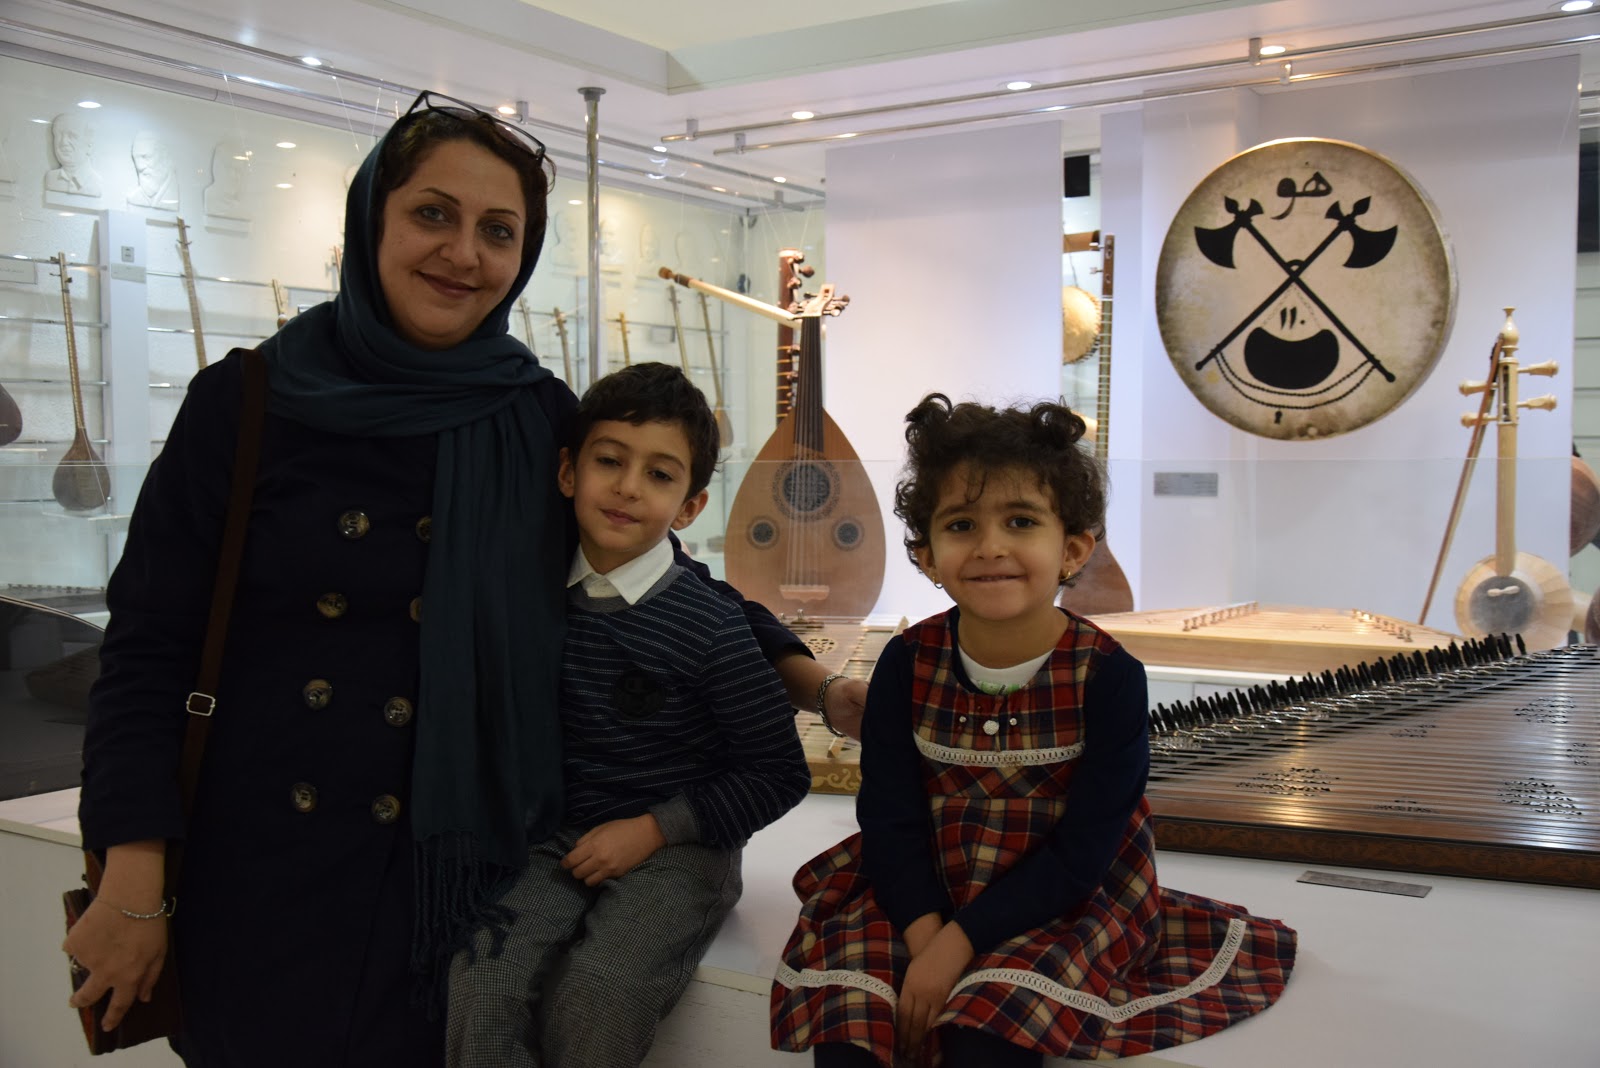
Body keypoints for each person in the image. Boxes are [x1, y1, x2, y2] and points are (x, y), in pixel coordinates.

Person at [64, 90, 862, 1068]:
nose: (463, 254)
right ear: (373, 218)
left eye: (498, 231)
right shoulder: (247, 400)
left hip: (448, 888)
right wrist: (132, 877)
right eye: (432, 214)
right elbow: (148, 648)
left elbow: (664, 575)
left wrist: (813, 682)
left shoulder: (532, 418)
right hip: (261, 874)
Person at [771, 394, 1297, 1067]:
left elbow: (1084, 850)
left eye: (1021, 521)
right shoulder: (906, 661)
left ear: (1073, 548)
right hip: (921, 886)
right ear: (926, 553)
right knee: (852, 1033)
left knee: (985, 1037)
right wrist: (926, 934)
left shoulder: (1109, 675)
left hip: (1059, 900)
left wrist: (956, 946)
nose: (991, 546)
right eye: (961, 525)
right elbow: (890, 815)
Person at [447, 361, 812, 1066]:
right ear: (567, 472)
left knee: (598, 991)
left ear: (690, 506)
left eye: (659, 474)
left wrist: (654, 829)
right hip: (556, 840)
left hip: (680, 852)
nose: (627, 487)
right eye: (609, 461)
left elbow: (777, 772)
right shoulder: (530, 597)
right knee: (481, 974)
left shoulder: (712, 627)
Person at [44, 110, 103, 197]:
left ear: (89, 144)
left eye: (72, 136)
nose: (63, 142)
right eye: (58, 135)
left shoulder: (95, 182)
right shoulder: (51, 178)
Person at [127, 130, 179, 210]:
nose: (139, 166)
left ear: (163, 155)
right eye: (136, 159)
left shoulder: (172, 195)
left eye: (146, 157)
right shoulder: (134, 198)